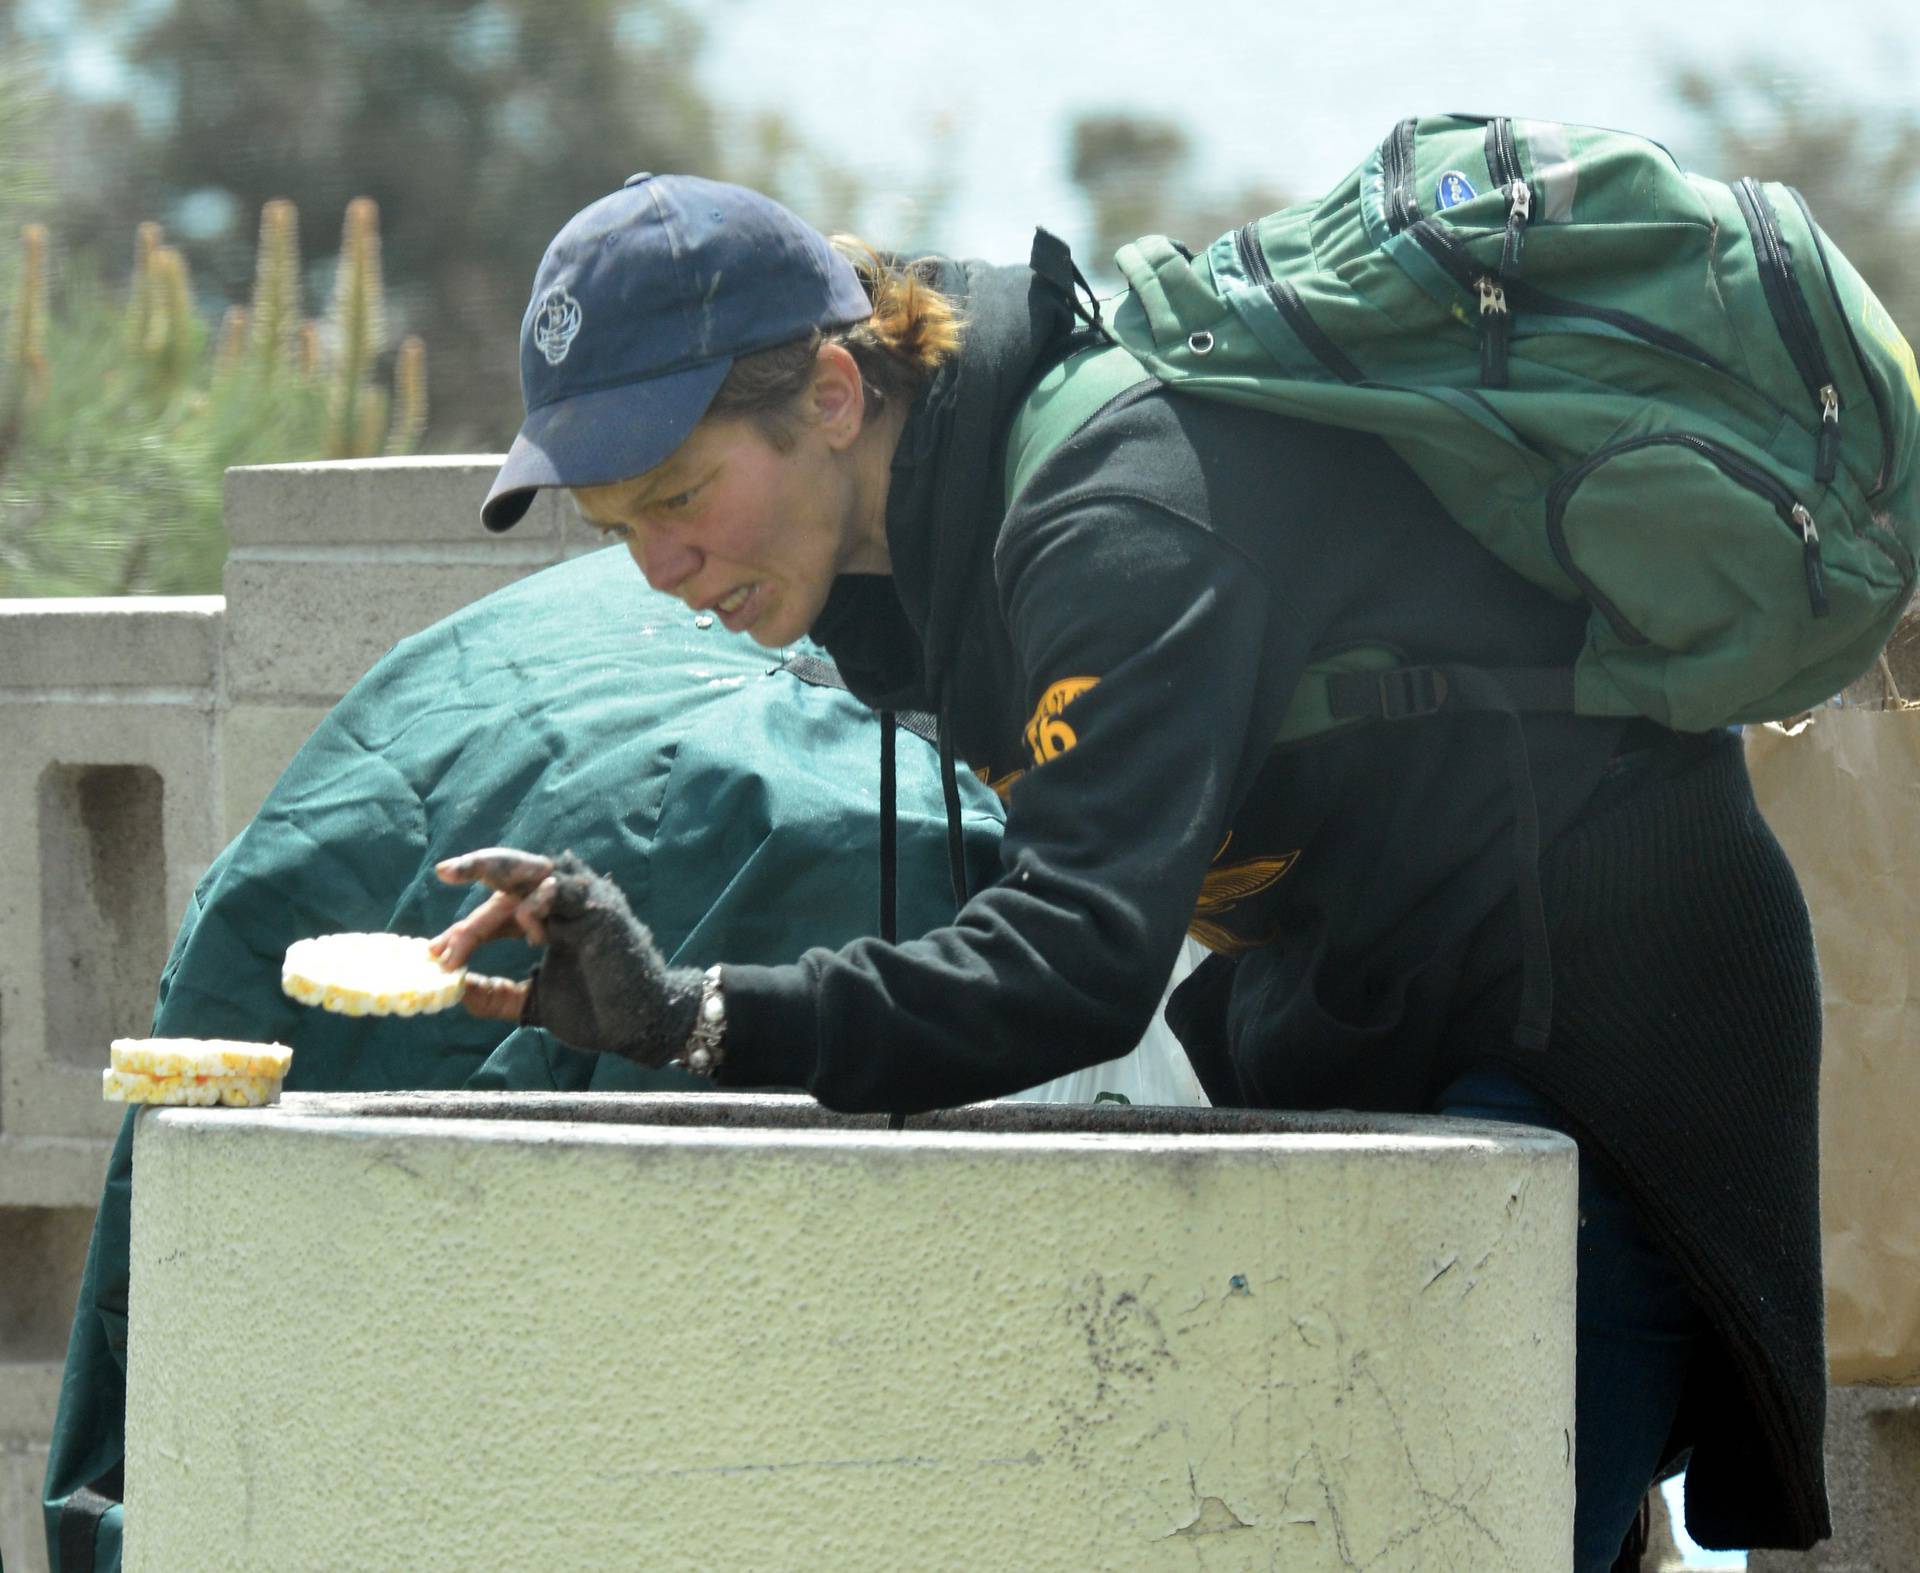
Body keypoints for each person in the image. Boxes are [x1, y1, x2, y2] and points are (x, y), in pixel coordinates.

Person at [436, 172, 1831, 1568]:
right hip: (1388, 1015)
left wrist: (699, 1014)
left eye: (682, 494)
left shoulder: (1115, 520)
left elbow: (1081, 957)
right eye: (621, 528)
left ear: (836, 394)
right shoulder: (931, 560)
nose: (664, 565)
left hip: (1594, 1024)